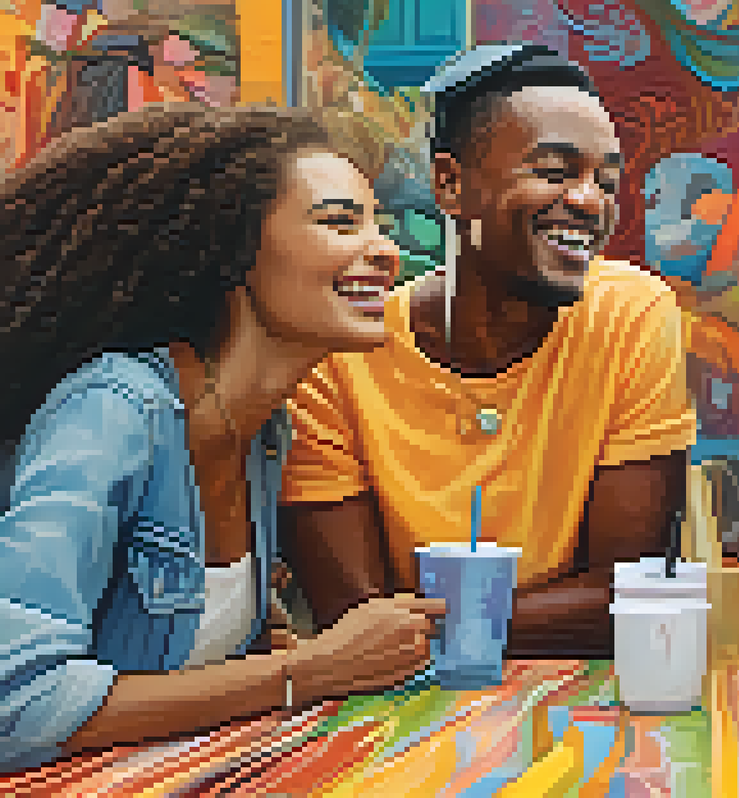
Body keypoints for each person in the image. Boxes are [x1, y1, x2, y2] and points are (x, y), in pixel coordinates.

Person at [0, 105, 446, 773]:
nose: (385, 250)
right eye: (338, 221)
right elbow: (20, 704)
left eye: (378, 224)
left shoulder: (265, 433)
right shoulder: (115, 411)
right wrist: (311, 670)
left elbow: (199, 667)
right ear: (236, 251)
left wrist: (278, 654)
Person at [280, 45, 696, 659]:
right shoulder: (342, 354)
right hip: (396, 711)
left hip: (583, 705)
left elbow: (627, 593)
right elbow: (355, 621)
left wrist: (429, 624)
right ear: (449, 183)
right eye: (554, 172)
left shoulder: (629, 313)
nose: (589, 201)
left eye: (606, 181)